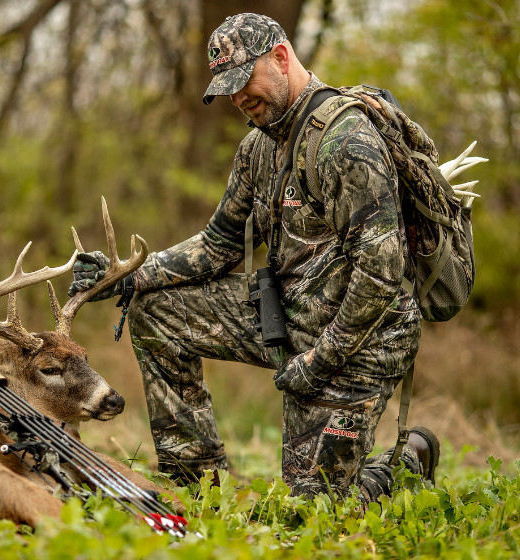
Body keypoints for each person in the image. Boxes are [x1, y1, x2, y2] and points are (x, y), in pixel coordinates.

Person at [68, 13, 441, 503]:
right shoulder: (256, 148)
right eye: (228, 89)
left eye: (244, 81)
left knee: (315, 510)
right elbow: (218, 244)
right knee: (155, 309)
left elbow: (381, 274)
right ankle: (198, 486)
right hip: (289, 315)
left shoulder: (347, 141)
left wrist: (319, 360)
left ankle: (407, 459)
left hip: (360, 339)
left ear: (282, 58)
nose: (238, 98)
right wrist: (131, 278)